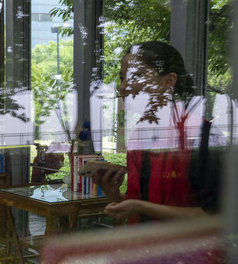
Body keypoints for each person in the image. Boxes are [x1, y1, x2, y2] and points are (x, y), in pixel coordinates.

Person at [93, 41, 221, 223]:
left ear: (169, 81)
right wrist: (113, 194)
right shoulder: (139, 136)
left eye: (135, 77)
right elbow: (141, 205)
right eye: (122, 78)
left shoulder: (202, 135)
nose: (123, 87)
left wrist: (138, 207)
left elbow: (217, 216)